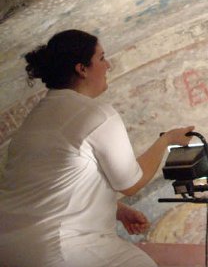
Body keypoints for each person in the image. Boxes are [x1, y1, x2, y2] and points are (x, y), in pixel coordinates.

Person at [0, 29, 195, 267]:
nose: (108, 65)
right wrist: (166, 140)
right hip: (60, 247)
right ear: (82, 69)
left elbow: (47, 187)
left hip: (9, 247)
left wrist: (116, 209)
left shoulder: (35, 118)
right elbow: (131, 183)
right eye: (101, 58)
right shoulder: (97, 115)